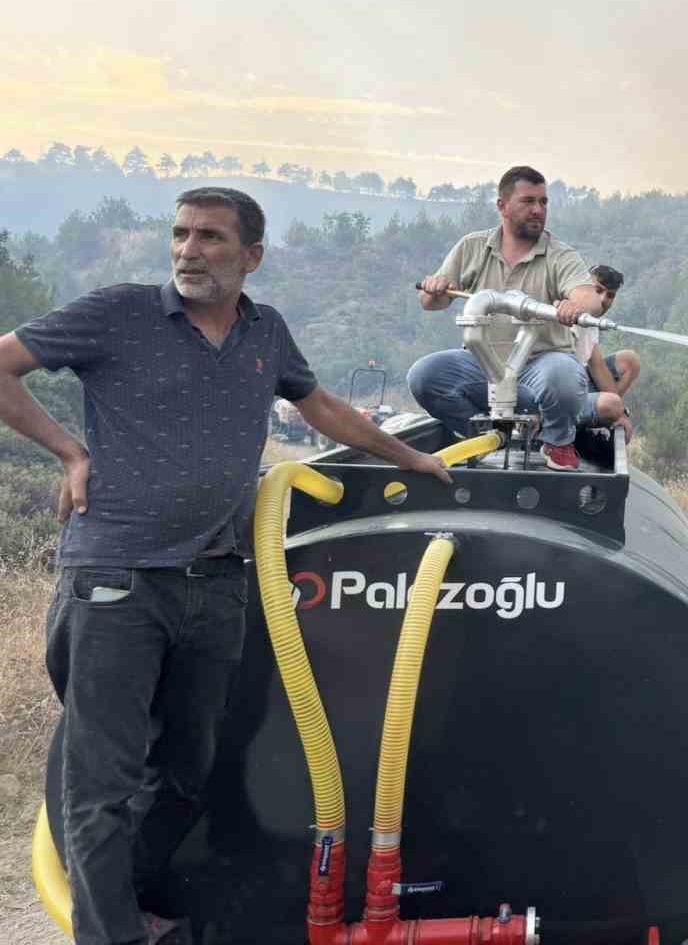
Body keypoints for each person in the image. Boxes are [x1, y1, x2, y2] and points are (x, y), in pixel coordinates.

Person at [0, 187, 452, 945]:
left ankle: (122, 903)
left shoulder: (264, 332)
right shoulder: (119, 312)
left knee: (184, 772)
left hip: (214, 582)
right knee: (99, 789)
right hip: (116, 582)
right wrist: (71, 451)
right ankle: (110, 934)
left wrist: (413, 457)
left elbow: (323, 409)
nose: (187, 250)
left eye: (209, 237)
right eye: (180, 234)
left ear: (252, 256)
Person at [409, 166, 609, 470]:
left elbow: (589, 298)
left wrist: (574, 305)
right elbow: (429, 302)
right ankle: (483, 436)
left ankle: (556, 443)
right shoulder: (472, 246)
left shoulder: (560, 255)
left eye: (543, 203)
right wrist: (436, 288)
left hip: (541, 363)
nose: (538, 210)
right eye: (528, 201)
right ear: (502, 206)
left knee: (564, 377)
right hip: (483, 362)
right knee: (424, 376)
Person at [573, 265, 640, 440]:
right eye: (598, 290)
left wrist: (619, 414)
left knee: (630, 361)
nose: (603, 299)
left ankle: (604, 417)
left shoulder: (591, 321)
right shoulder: (567, 312)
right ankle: (594, 420)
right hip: (559, 395)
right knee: (612, 405)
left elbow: (598, 366)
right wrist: (615, 408)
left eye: (610, 295)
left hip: (580, 384)